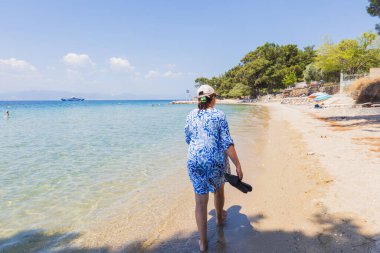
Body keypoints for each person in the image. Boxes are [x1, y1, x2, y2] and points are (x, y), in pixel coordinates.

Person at [184, 85, 243, 252]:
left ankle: (202, 243)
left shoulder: (190, 115)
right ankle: (218, 218)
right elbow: (226, 143)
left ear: (199, 99)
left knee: (200, 202)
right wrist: (237, 164)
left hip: (194, 161)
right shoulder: (219, 115)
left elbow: (188, 139)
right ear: (214, 97)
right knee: (218, 190)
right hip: (215, 161)